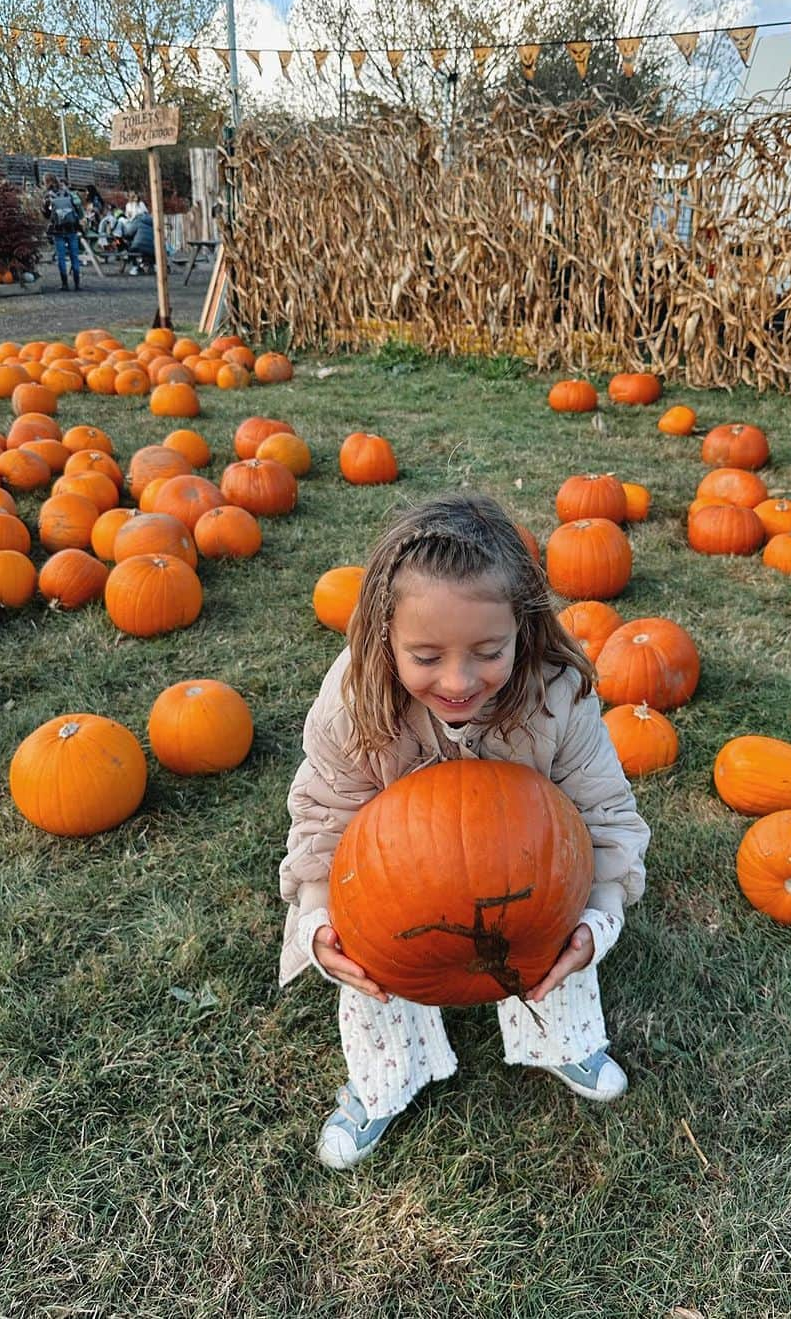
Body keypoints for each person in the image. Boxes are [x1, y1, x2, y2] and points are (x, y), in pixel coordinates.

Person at [278, 493, 650, 1169]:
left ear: (524, 630)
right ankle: (380, 1082)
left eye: (487, 651)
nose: (457, 679)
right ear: (383, 634)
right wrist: (318, 916)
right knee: (374, 963)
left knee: (553, 920)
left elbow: (603, 814)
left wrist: (599, 916)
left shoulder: (555, 694)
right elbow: (325, 815)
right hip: (394, 880)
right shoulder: (353, 704)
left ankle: (563, 1038)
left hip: (529, 866)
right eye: (426, 654)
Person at [41, 174, 83, 292]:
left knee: (61, 257)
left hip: (58, 230)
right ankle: (77, 284)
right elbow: (78, 209)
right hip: (72, 228)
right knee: (74, 256)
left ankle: (65, 284)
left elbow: (46, 214)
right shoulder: (68, 193)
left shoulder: (48, 196)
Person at [122, 203, 155, 275]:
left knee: (131, 250)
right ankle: (152, 266)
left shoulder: (138, 221)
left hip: (138, 246)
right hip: (152, 249)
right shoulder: (152, 224)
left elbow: (128, 233)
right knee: (149, 251)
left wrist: (126, 236)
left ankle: (135, 267)